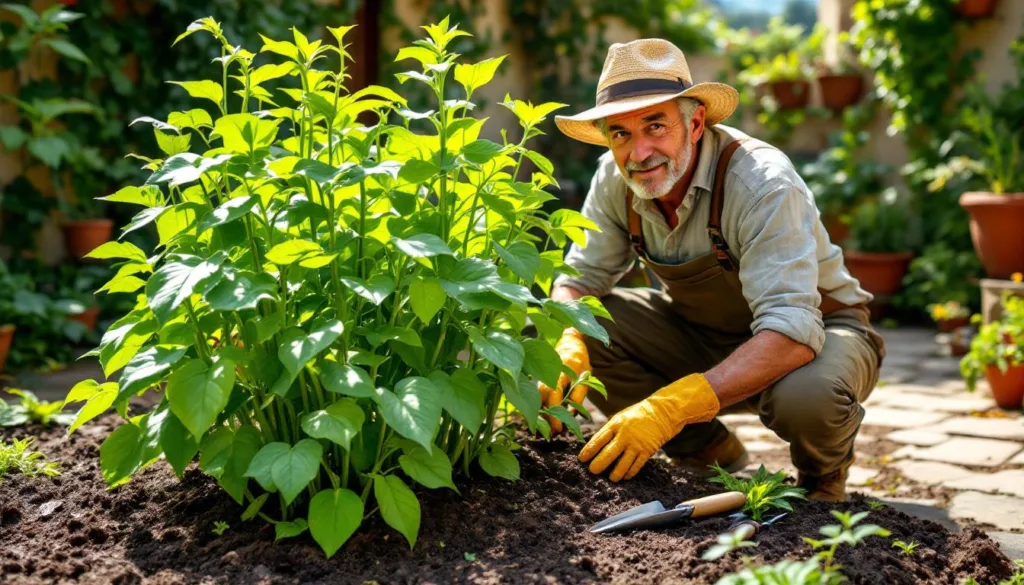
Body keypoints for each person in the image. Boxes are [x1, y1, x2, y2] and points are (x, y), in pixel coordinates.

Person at [541, 39, 885, 502]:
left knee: (809, 399)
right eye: (620, 133)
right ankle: (706, 450)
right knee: (588, 323)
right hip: (698, 332)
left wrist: (669, 408)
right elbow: (579, 278)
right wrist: (566, 338)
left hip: (815, 335)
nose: (639, 152)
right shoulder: (614, 179)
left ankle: (823, 481)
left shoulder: (762, 182)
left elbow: (793, 329)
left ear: (695, 122)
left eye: (655, 125)